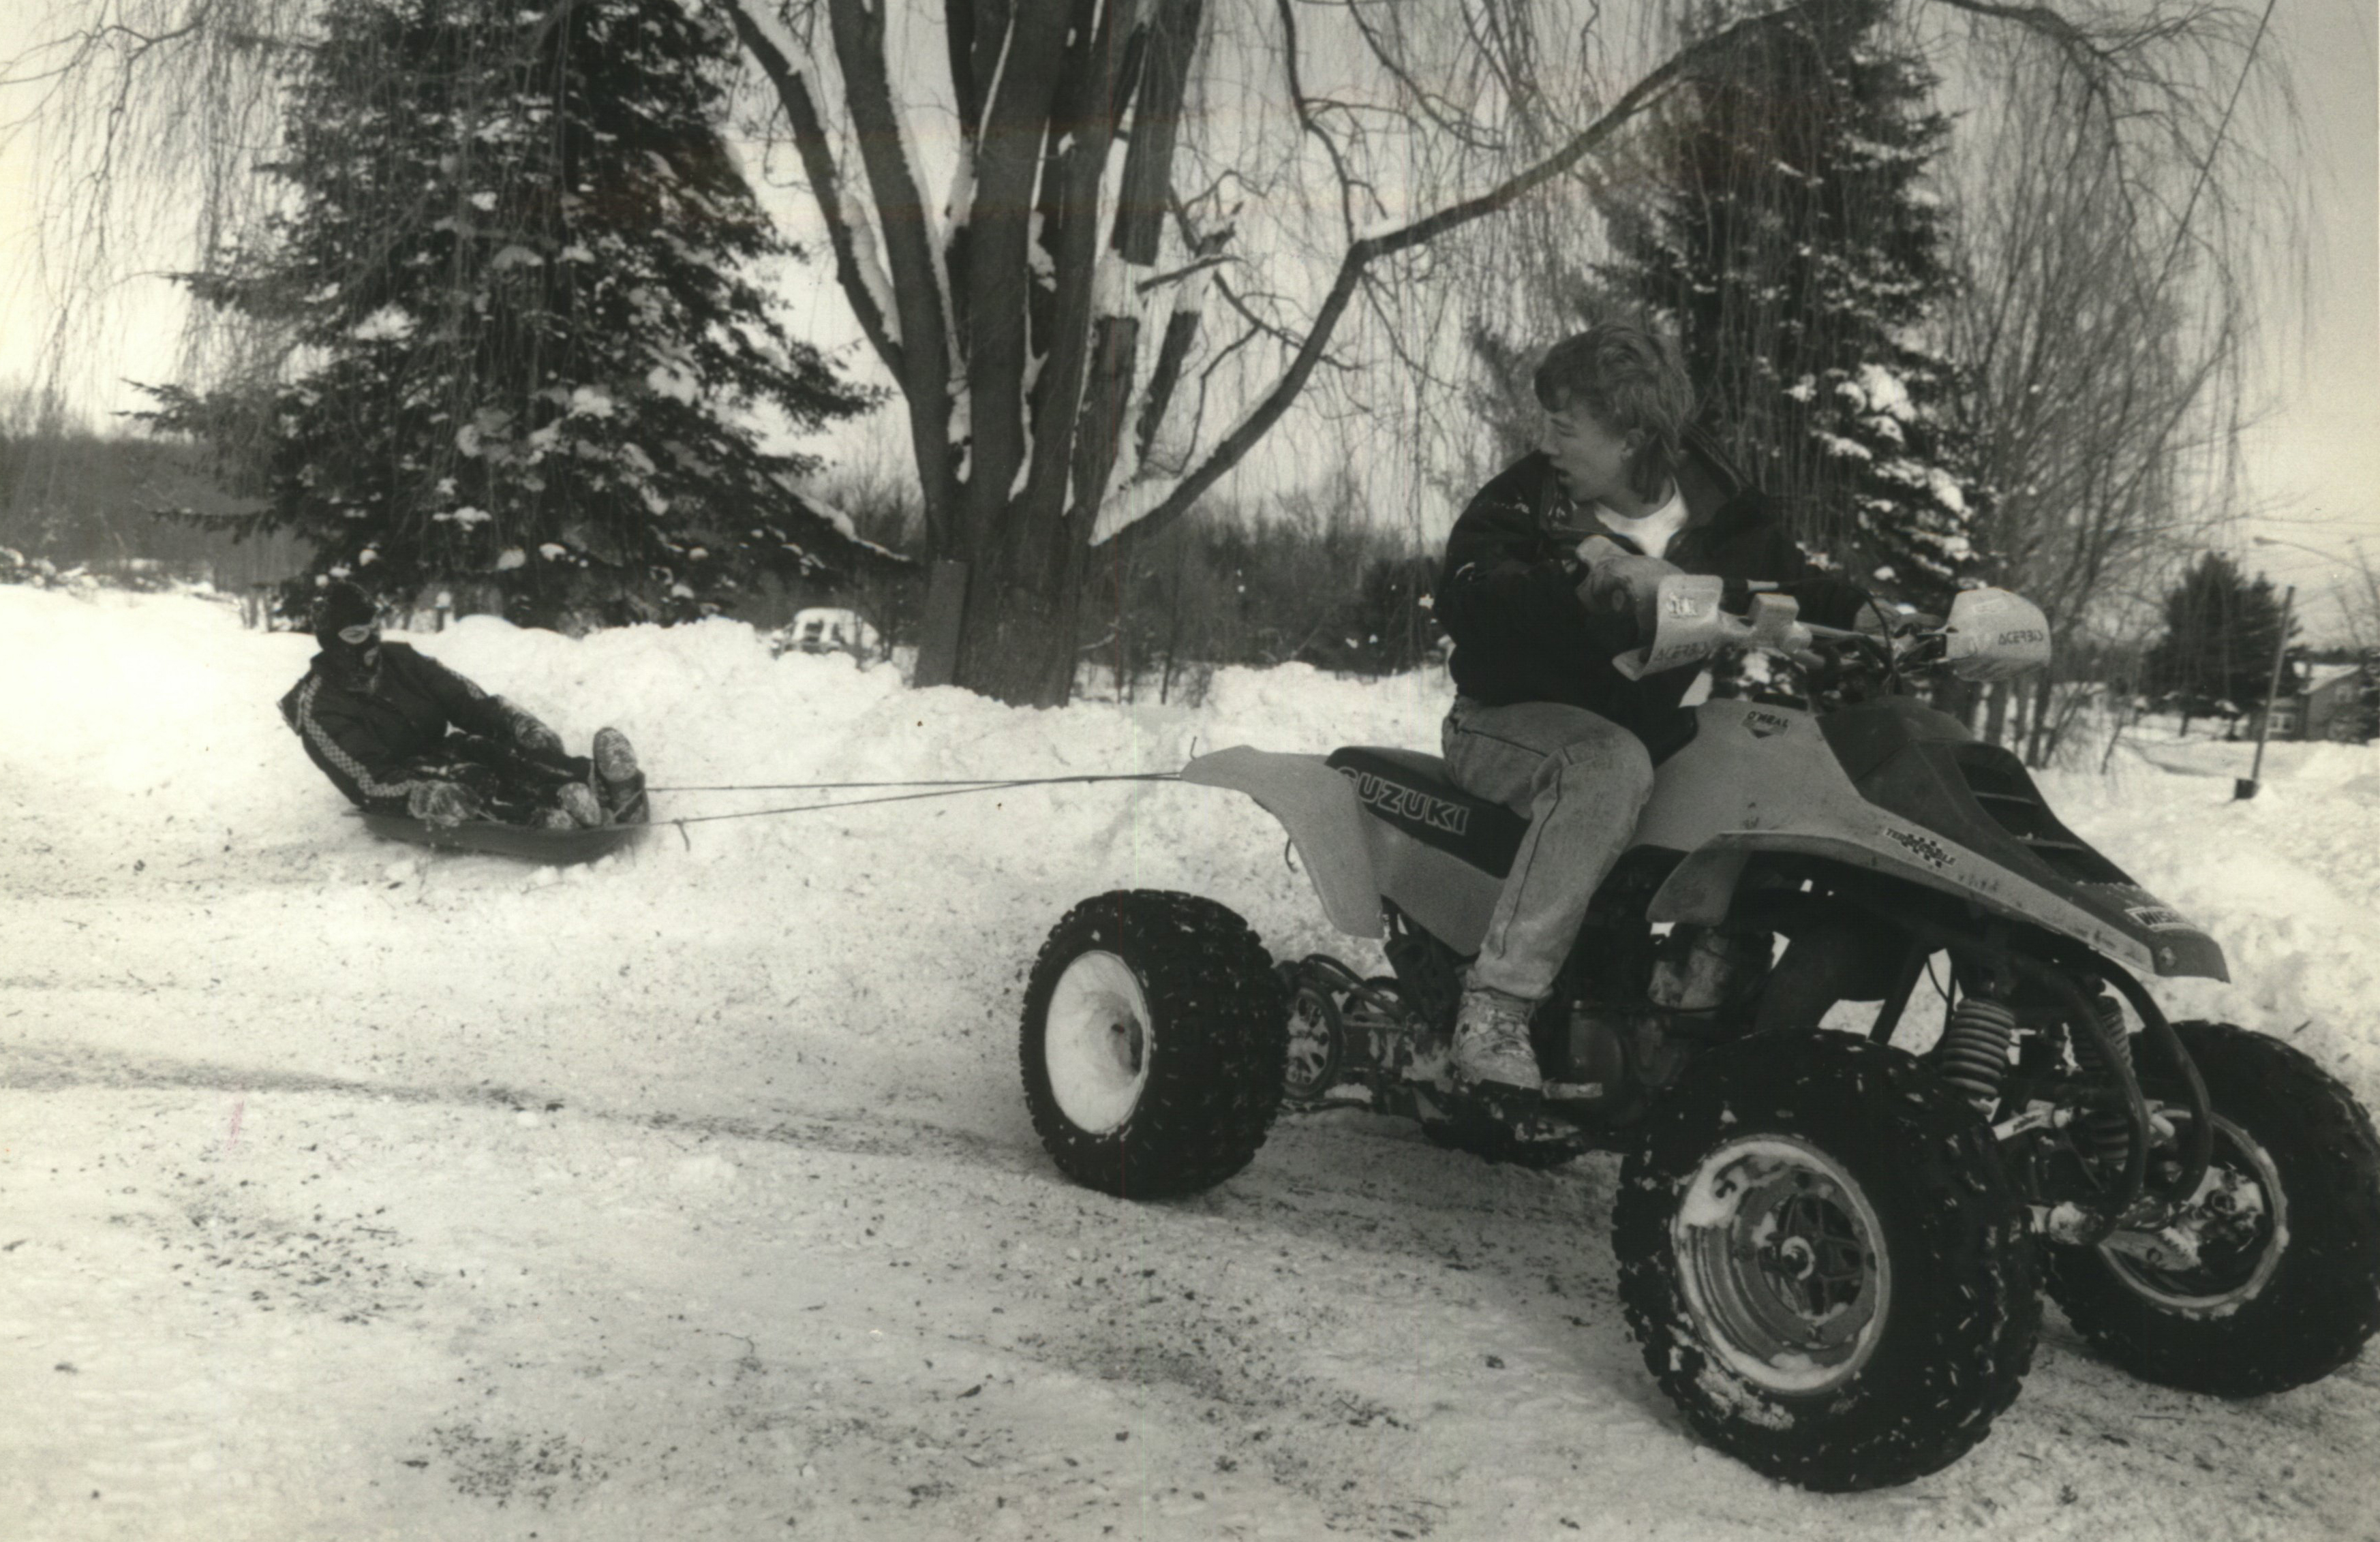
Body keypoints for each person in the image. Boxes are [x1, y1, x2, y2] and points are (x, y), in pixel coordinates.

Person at [1432, 322, 1868, 1095]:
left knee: (1764, 756)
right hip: (1505, 722)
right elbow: (1469, 592)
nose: (1551, 444)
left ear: (1631, 435)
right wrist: (1576, 583)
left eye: (1567, 427)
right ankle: (1497, 1003)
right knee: (1605, 762)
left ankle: (1712, 998)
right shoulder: (1529, 498)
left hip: (1642, 730)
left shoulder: (1721, 510)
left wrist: (1867, 618)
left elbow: (1791, 583)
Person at [278, 581, 647, 829]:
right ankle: (547, 816)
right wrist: (421, 797)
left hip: (442, 750)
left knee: (491, 751)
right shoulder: (318, 706)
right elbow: (364, 781)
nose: (370, 643)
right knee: (470, 780)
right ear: (331, 641)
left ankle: (598, 782)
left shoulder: (402, 660)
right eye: (356, 635)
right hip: (405, 777)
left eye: (373, 629)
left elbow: (465, 700)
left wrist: (516, 724)